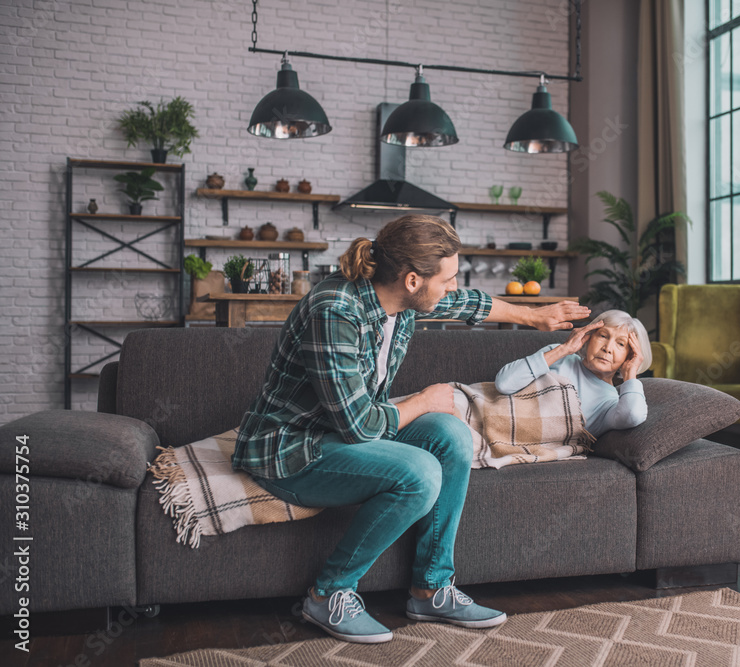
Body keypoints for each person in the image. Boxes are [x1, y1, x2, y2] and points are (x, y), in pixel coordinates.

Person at [231, 214, 589, 644]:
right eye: (449, 278)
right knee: (420, 473)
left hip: (338, 436)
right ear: (414, 279)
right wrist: (421, 401)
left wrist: (536, 317)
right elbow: (360, 426)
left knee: (452, 434)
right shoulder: (335, 312)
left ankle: (431, 589)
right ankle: (328, 594)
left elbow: (469, 303)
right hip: (290, 449)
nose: (453, 286)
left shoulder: (399, 299)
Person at [494, 310, 651, 437]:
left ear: (629, 356)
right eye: (603, 336)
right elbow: (504, 383)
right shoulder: (559, 356)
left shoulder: (610, 402)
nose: (608, 348)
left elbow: (633, 415)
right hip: (492, 412)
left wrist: (630, 374)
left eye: (620, 344)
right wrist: (564, 349)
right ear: (589, 337)